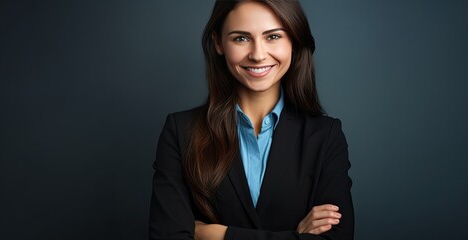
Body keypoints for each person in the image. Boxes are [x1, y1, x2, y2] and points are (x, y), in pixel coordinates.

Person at [149, 0, 354, 239]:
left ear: (294, 41)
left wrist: (217, 234)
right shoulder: (181, 131)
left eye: (273, 37)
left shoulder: (326, 136)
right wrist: (294, 235)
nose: (258, 55)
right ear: (218, 43)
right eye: (241, 38)